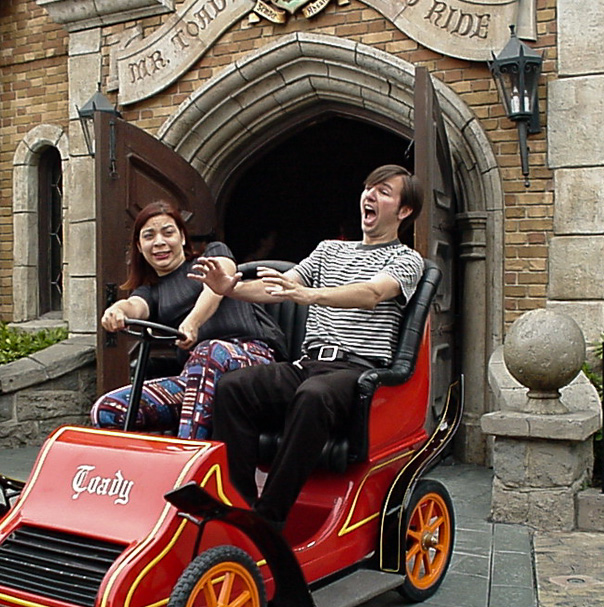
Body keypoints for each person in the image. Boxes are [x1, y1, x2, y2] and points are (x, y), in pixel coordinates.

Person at [190, 164, 425, 529]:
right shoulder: (328, 250)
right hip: (307, 364)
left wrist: (312, 295)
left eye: (383, 191)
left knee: (314, 395)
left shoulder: (406, 259)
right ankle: (237, 503)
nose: (369, 196)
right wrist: (229, 289)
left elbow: (373, 293)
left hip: (355, 371)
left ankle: (269, 517)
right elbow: (279, 288)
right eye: (367, 188)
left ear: (404, 210)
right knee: (234, 387)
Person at [90, 200, 286, 440]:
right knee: (109, 409)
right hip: (197, 379)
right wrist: (117, 311)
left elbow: (217, 286)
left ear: (182, 237)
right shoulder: (152, 291)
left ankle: (187, 465)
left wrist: (193, 322)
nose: (159, 242)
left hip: (253, 361)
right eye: (149, 236)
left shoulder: (213, 254)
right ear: (140, 247)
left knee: (209, 351)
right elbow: (133, 306)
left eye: (168, 232)